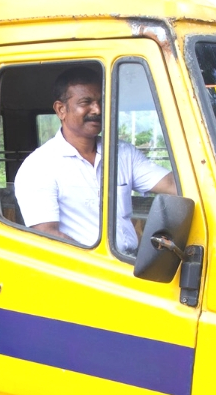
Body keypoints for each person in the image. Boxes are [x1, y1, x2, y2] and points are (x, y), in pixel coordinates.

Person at [14, 66, 177, 254]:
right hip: (82, 272)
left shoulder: (122, 153)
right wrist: (100, 263)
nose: (97, 109)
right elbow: (46, 234)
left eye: (101, 102)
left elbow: (171, 183)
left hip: (128, 265)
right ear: (61, 110)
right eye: (86, 102)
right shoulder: (39, 166)